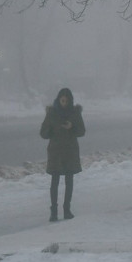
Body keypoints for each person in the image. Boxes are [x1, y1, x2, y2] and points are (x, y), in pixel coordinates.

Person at [40, 87, 85, 221]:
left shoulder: (75, 113)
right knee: (55, 181)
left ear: (69, 100)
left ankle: (67, 210)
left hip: (70, 151)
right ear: (59, 99)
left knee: (69, 181)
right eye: (62, 99)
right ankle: (53, 212)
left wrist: (72, 127)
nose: (64, 101)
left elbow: (82, 131)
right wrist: (51, 130)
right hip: (56, 152)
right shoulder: (52, 113)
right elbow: (43, 133)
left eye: (66, 99)